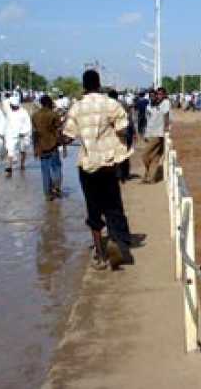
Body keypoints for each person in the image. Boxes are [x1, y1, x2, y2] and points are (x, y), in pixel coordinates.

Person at [63, 70, 132, 270]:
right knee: (113, 205)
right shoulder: (110, 104)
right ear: (99, 84)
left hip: (87, 165)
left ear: (84, 86)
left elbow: (68, 136)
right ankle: (117, 242)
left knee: (93, 208)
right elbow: (123, 128)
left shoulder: (76, 108)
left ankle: (100, 256)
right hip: (108, 163)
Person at [32, 95, 64, 200]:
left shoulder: (35, 115)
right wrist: (63, 146)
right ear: (49, 103)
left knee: (45, 170)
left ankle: (47, 194)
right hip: (53, 145)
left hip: (41, 146)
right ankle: (56, 187)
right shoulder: (54, 115)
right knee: (56, 167)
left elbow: (34, 133)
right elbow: (59, 131)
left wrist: (35, 149)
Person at [142, 87, 170, 184]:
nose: (158, 96)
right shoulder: (150, 106)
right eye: (155, 95)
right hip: (150, 133)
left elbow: (166, 116)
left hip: (158, 134)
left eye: (160, 94)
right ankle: (151, 178)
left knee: (145, 155)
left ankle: (148, 175)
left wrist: (166, 128)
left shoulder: (165, 103)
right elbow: (148, 121)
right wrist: (145, 133)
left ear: (164, 95)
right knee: (155, 157)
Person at [108, 89, 136, 183]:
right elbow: (130, 119)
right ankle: (125, 174)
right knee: (125, 154)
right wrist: (133, 132)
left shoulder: (107, 107)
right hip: (126, 132)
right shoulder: (123, 105)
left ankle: (118, 175)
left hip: (115, 134)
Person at [4, 96, 32, 176]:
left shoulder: (24, 112)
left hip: (22, 135)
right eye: (12, 105)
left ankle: (22, 164)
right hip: (11, 135)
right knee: (10, 150)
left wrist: (25, 132)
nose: (13, 107)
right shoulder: (9, 112)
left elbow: (28, 124)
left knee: (22, 150)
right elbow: (7, 123)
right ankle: (9, 168)